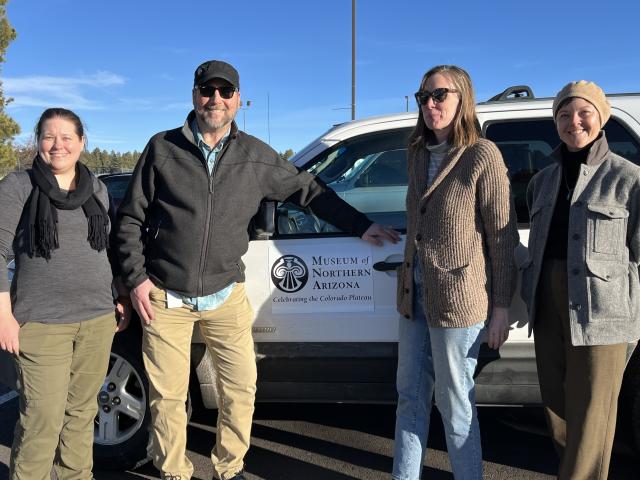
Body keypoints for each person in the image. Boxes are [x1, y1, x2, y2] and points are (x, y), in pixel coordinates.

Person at [115, 59, 399, 480]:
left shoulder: (256, 156)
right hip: (165, 296)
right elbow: (129, 219)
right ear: (194, 96)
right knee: (167, 397)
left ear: (238, 100)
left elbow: (310, 191)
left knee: (240, 390)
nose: (216, 99)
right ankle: (173, 470)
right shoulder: (163, 148)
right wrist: (136, 280)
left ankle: (228, 469)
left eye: (224, 92)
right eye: (207, 91)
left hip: (225, 294)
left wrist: (362, 225)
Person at [392, 65, 518, 480]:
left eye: (440, 95)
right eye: (423, 97)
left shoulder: (482, 155)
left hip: (458, 301)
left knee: (455, 401)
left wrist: (500, 307)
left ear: (462, 97)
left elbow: (501, 238)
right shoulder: (416, 153)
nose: (430, 104)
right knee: (409, 397)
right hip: (414, 296)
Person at [0, 107, 131, 480]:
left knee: (81, 414)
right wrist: (2, 314)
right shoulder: (18, 186)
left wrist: (120, 294)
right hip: (41, 324)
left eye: (66, 137)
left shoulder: (99, 189)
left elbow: (110, 249)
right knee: (42, 419)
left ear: (81, 142)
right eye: (48, 137)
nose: (58, 145)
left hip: (95, 320)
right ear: (38, 142)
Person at [521, 80, 640, 480]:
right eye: (564, 115)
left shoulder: (629, 179)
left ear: (601, 117)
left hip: (602, 310)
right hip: (549, 306)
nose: (574, 122)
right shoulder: (542, 181)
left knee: (592, 416)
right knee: (558, 411)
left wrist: (632, 321)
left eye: (583, 113)